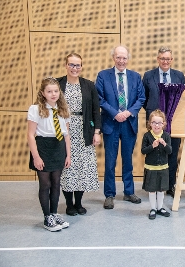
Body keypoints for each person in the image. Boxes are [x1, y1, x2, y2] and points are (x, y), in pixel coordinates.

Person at [96, 45, 146, 209]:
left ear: (128, 59)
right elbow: (100, 98)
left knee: (128, 160)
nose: (121, 61)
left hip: (129, 124)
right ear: (113, 58)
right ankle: (109, 194)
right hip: (111, 123)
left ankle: (128, 192)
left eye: (124, 58)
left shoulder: (135, 76)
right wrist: (115, 113)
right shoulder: (103, 75)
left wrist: (128, 112)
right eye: (118, 57)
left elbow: (141, 98)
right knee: (110, 161)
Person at [57, 53, 101, 216]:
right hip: (63, 131)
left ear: (81, 67)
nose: (75, 68)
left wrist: (97, 132)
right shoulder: (58, 83)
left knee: (82, 168)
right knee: (67, 168)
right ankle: (69, 204)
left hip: (84, 130)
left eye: (78, 65)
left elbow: (96, 110)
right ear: (66, 65)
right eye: (72, 65)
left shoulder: (89, 85)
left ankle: (79, 203)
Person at [27, 77, 71, 231]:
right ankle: (47, 217)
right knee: (45, 184)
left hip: (58, 147)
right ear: (43, 93)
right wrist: (36, 157)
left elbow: (66, 135)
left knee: (56, 182)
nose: (53, 94)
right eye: (49, 91)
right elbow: (31, 135)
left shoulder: (63, 109)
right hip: (43, 147)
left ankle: (54, 213)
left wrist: (68, 155)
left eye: (56, 91)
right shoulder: (35, 109)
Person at [142, 46, 185, 198]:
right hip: (154, 124)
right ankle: (153, 185)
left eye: (168, 59)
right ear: (158, 59)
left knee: (171, 154)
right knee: (154, 153)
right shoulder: (148, 76)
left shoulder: (179, 76)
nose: (165, 61)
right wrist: (154, 116)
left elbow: (183, 99)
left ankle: (170, 185)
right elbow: (144, 98)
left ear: (171, 60)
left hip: (175, 122)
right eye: (162, 58)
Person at [141, 109, 172, 220]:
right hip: (151, 167)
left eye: (159, 123)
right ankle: (153, 208)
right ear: (150, 124)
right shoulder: (147, 136)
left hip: (163, 167)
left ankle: (160, 207)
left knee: (161, 189)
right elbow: (143, 151)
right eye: (154, 122)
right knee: (152, 189)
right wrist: (152, 146)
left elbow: (170, 151)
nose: (157, 125)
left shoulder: (166, 136)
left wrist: (164, 144)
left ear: (163, 124)